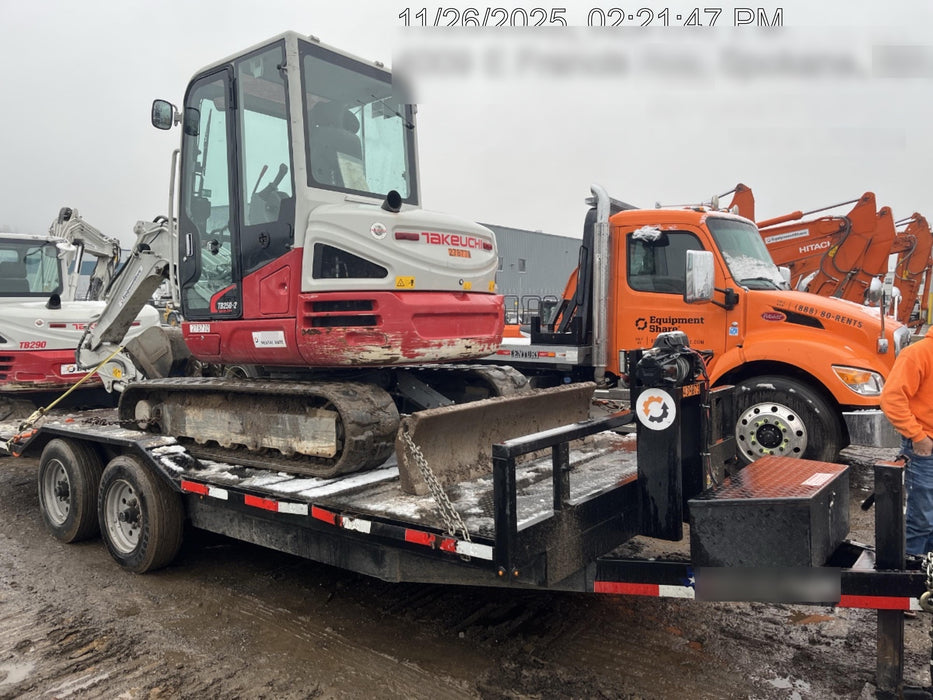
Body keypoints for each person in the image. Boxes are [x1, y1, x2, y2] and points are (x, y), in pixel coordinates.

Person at [880, 328, 933, 556]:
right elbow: (892, 399)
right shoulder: (918, 353)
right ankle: (912, 570)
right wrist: (918, 437)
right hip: (926, 449)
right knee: (921, 523)